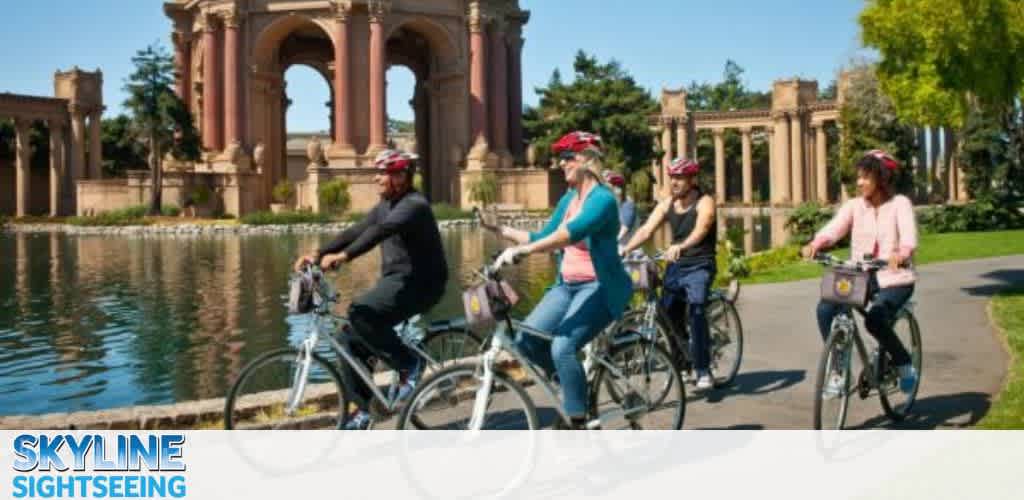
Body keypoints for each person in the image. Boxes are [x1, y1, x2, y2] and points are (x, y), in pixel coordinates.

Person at [480, 131, 632, 429]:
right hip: (568, 286)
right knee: (526, 341)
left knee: (562, 346)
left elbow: (568, 235)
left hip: (600, 287)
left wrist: (523, 251)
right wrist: (500, 230)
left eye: (568, 158)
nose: (561, 164)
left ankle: (576, 420)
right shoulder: (569, 199)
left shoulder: (603, 199)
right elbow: (543, 236)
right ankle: (572, 388)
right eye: (560, 159)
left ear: (588, 160)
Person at [293, 149, 448, 430]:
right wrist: (318, 253)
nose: (377, 179)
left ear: (401, 177)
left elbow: (381, 232)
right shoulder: (385, 205)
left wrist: (345, 257)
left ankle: (409, 364)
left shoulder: (414, 205)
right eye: (377, 173)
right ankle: (364, 410)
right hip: (397, 280)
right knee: (347, 339)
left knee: (360, 313)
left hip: (422, 282)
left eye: (383, 174)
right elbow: (358, 230)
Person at [802, 149, 919, 394]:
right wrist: (816, 243)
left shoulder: (900, 204)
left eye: (866, 177)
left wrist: (902, 254)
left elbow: (908, 235)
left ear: (882, 178)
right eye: (859, 177)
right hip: (860, 275)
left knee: (875, 320)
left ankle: (904, 362)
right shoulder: (854, 206)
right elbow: (835, 228)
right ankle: (838, 369)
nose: (859, 182)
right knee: (826, 308)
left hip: (895, 278)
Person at [619, 158, 718, 390]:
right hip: (675, 266)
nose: (674, 182)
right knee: (667, 314)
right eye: (672, 176)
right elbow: (646, 230)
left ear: (692, 180)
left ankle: (703, 369)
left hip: (699, 265)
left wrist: (681, 246)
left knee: (696, 310)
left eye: (679, 177)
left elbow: (702, 228)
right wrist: (625, 249)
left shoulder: (705, 202)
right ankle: (683, 365)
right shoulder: (667, 204)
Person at [603, 170, 637, 246]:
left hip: (626, 250)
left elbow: (624, 229)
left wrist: (610, 243)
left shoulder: (628, 204)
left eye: (618, 186)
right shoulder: (611, 205)